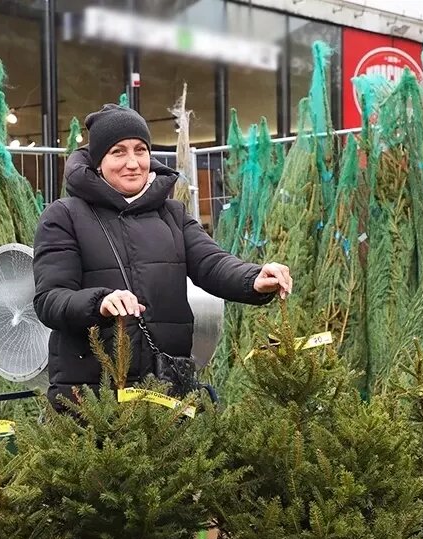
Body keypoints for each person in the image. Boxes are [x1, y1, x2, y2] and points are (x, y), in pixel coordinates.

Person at [32, 103, 292, 410]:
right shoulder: (64, 216)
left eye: (140, 150)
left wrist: (254, 277)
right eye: (118, 152)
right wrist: (99, 302)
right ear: (98, 162)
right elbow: (50, 300)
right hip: (92, 396)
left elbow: (212, 263)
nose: (133, 162)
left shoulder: (172, 214)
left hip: (165, 388)